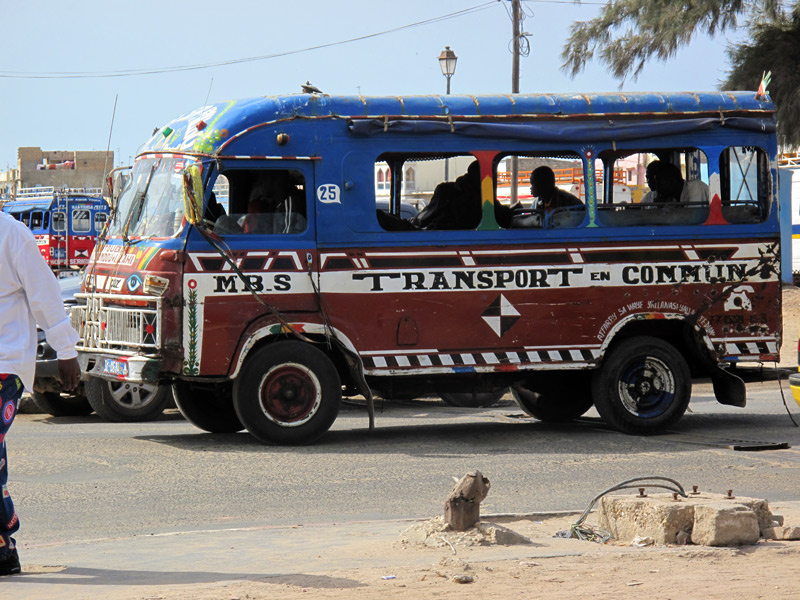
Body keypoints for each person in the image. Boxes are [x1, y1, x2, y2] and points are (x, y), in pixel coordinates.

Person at [0, 211, 81, 576]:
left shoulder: (13, 235)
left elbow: (45, 297)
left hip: (6, 362)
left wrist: (66, 351)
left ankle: (4, 544)